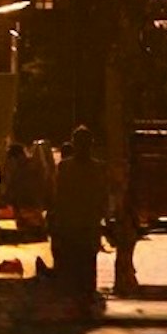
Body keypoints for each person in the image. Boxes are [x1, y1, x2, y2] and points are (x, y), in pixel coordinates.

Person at [51, 124, 110, 315]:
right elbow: (103, 196)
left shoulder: (65, 168)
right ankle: (85, 296)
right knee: (86, 261)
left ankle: (77, 296)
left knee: (76, 260)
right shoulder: (97, 169)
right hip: (86, 222)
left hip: (74, 222)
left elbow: (58, 196)